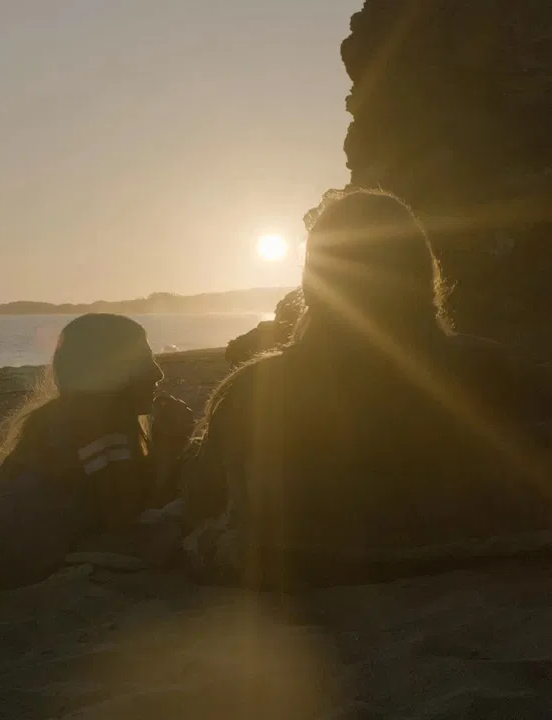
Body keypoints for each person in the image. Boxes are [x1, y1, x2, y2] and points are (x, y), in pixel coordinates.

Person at [182, 190, 552, 588]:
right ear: (422, 274)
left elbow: (199, 499)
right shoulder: (487, 367)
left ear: (316, 284)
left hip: (310, 559)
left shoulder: (257, 391)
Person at [0, 313, 194, 589]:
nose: (158, 373)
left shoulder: (69, 416)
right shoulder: (100, 423)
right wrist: (170, 445)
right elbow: (125, 514)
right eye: (145, 361)